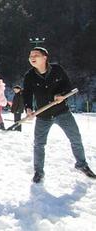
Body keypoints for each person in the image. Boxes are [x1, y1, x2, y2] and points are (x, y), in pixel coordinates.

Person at [23, 46, 96, 183]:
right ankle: (38, 172)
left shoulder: (57, 70)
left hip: (62, 112)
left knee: (75, 139)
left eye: (36, 55)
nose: (32, 57)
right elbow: (27, 94)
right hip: (43, 115)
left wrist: (61, 95)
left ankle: (82, 164)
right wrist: (28, 108)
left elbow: (67, 86)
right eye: (30, 55)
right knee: (39, 144)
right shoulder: (29, 76)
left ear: (45, 57)